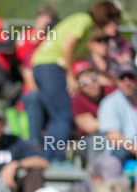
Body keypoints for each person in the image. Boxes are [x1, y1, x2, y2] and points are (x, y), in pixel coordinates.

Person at [28, 1, 121, 162]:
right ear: (105, 18)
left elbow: (78, 55)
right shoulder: (84, 20)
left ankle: (50, 157)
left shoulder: (87, 26)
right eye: (114, 21)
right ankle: (55, 160)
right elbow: (67, 47)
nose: (116, 27)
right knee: (63, 116)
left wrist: (104, 73)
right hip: (50, 66)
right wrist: (71, 77)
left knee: (57, 116)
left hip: (44, 66)